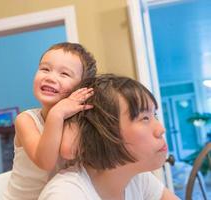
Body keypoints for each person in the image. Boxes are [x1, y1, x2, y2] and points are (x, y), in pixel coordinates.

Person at [39, 73, 180, 200]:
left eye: (154, 115)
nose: (161, 129)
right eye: (144, 118)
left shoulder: (137, 179)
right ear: (103, 132)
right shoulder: (66, 195)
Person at [3, 42, 97, 200]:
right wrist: (57, 114)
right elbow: (45, 161)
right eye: (45, 69)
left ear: (83, 87)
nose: (50, 77)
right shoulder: (26, 120)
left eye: (64, 74)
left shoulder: (80, 123)